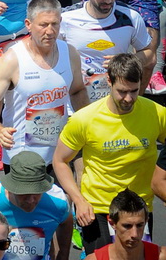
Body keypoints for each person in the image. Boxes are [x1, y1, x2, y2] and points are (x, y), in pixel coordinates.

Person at [53, 55, 166, 252]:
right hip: (98, 208)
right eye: (122, 91)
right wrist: (79, 201)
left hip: (139, 210)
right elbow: (60, 160)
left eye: (134, 91)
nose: (129, 98)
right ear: (109, 81)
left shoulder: (156, 113)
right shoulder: (84, 119)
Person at [0, 0, 87, 171]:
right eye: (43, 25)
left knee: (61, 198)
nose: (50, 31)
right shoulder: (12, 60)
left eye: (55, 24)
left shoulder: (70, 53)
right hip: (22, 157)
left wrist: (86, 121)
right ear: (28, 24)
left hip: (59, 154)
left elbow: (77, 91)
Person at [60, 0, 152, 103]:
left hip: (115, 102)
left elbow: (150, 55)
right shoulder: (66, 18)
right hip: (74, 102)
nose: (108, 0)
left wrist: (127, 61)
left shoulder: (131, 17)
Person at [84, 190, 165, 260]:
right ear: (112, 224)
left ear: (146, 221)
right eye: (127, 226)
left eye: (139, 225)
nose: (134, 234)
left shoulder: (161, 257)